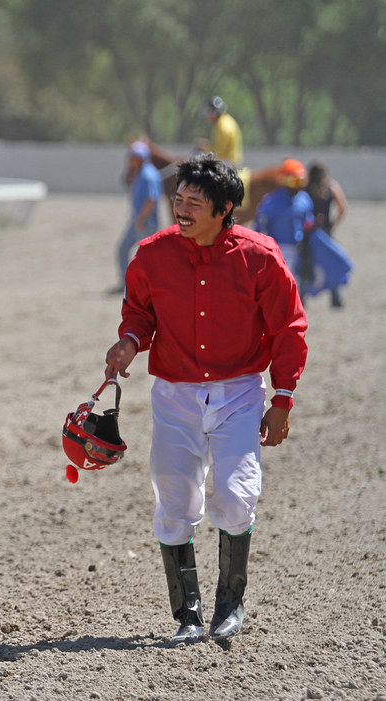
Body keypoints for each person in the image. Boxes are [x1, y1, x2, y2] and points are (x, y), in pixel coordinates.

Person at [104, 154, 307, 644]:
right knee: (173, 499)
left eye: (194, 202)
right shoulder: (151, 254)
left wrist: (282, 398)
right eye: (179, 199)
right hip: (173, 395)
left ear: (225, 208)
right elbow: (139, 313)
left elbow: (288, 328)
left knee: (236, 496)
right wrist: (129, 341)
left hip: (239, 392)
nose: (181, 208)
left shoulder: (261, 256)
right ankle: (188, 615)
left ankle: (229, 605)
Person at [253, 159, 314, 284]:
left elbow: (308, 221)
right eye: (294, 181)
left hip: (299, 250)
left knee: (296, 283)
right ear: (284, 181)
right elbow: (259, 226)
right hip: (277, 250)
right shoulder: (270, 202)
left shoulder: (305, 200)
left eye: (301, 181)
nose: (297, 186)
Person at [114, 140, 163, 291]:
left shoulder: (148, 175)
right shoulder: (140, 173)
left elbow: (151, 200)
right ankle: (127, 284)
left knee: (147, 256)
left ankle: (148, 286)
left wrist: (140, 220)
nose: (131, 160)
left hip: (145, 222)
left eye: (134, 157)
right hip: (139, 220)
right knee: (124, 250)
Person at [304, 161, 348, 308]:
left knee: (306, 262)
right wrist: (333, 224)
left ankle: (303, 296)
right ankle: (336, 297)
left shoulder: (305, 188)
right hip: (325, 231)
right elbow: (343, 208)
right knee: (331, 261)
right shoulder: (331, 187)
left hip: (309, 231)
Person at [201, 97, 243, 168]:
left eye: (207, 112)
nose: (206, 116)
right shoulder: (226, 120)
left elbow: (219, 153)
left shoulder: (222, 126)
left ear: (213, 112)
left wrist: (206, 148)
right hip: (233, 161)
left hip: (228, 163)